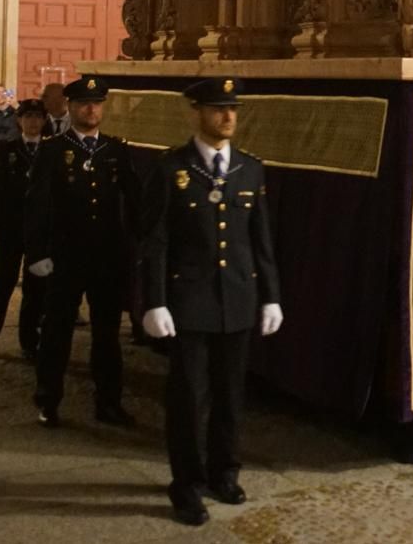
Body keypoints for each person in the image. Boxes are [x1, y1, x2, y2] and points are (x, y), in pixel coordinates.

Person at [140, 76, 283, 527]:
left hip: (237, 299)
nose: (228, 117)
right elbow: (155, 242)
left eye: (233, 109)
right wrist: (154, 301)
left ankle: (225, 472)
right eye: (219, 109)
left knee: (230, 396)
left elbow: (261, 241)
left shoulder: (249, 168)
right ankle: (186, 485)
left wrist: (271, 297)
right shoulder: (171, 168)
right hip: (188, 303)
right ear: (197, 113)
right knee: (188, 398)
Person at [25, 77, 142, 428]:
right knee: (57, 332)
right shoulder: (52, 149)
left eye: (96, 103)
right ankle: (48, 400)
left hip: (106, 257)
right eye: (84, 104)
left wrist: (137, 246)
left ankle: (109, 402)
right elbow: (37, 204)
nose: (91, 110)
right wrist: (37, 252)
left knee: (107, 334)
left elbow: (134, 200)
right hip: (66, 256)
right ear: (71, 107)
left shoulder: (115, 149)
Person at [0, 99, 48, 360]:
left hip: (39, 231)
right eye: (28, 116)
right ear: (19, 120)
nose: (32, 121)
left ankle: (29, 341)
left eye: (37, 117)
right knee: (2, 284)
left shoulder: (51, 151)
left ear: (44, 121)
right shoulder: (8, 148)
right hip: (10, 228)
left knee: (35, 288)